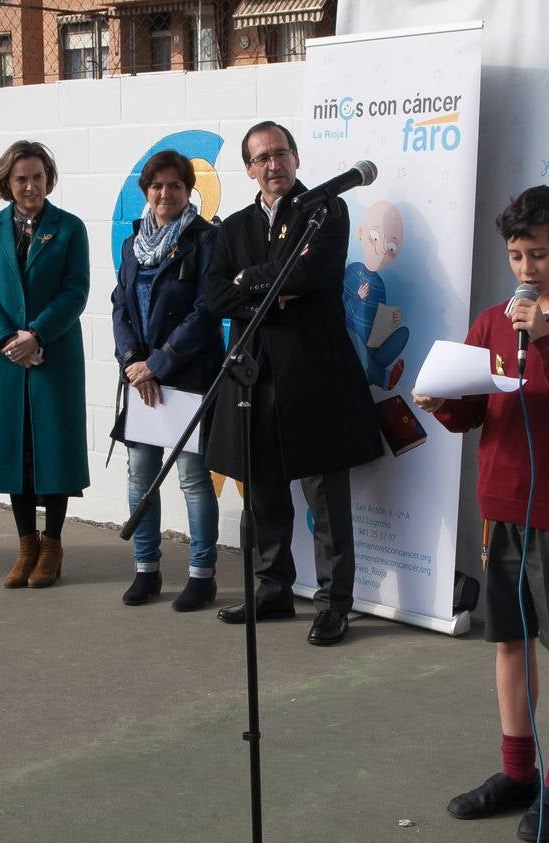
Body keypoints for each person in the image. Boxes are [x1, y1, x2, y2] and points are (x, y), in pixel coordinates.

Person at [413, 186, 549, 843]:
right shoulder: (490, 322)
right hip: (498, 504)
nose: (526, 270)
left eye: (538, 255)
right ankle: (517, 774)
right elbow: (475, 409)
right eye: (514, 255)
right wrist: (438, 402)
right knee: (507, 642)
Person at [205, 120, 382, 645]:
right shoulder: (232, 227)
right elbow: (216, 296)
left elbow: (313, 276)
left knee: (326, 497)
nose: (272, 165)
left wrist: (250, 280)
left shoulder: (327, 210)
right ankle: (272, 589)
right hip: (254, 375)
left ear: (297, 158)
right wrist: (271, 286)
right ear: (248, 169)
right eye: (261, 158)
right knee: (263, 492)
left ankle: (334, 604)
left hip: (314, 374)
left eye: (280, 153)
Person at [0, 140, 90, 589]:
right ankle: (25, 546)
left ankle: (52, 545)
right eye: (21, 178)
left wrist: (35, 334)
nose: (30, 186)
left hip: (52, 354)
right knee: (15, 452)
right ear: (7, 182)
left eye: (37, 177)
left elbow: (75, 291)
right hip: (5, 359)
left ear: (48, 179)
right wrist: (6, 339)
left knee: (53, 450)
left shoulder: (70, 228)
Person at [110, 150, 224, 611]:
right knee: (140, 479)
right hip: (143, 382)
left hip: (187, 376)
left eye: (174, 185)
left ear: (188, 190)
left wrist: (162, 361)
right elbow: (120, 304)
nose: (164, 194)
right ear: (146, 191)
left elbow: (207, 310)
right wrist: (133, 361)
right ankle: (147, 570)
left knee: (194, 480)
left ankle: (202, 575)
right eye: (156, 186)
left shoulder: (205, 240)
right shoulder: (133, 241)